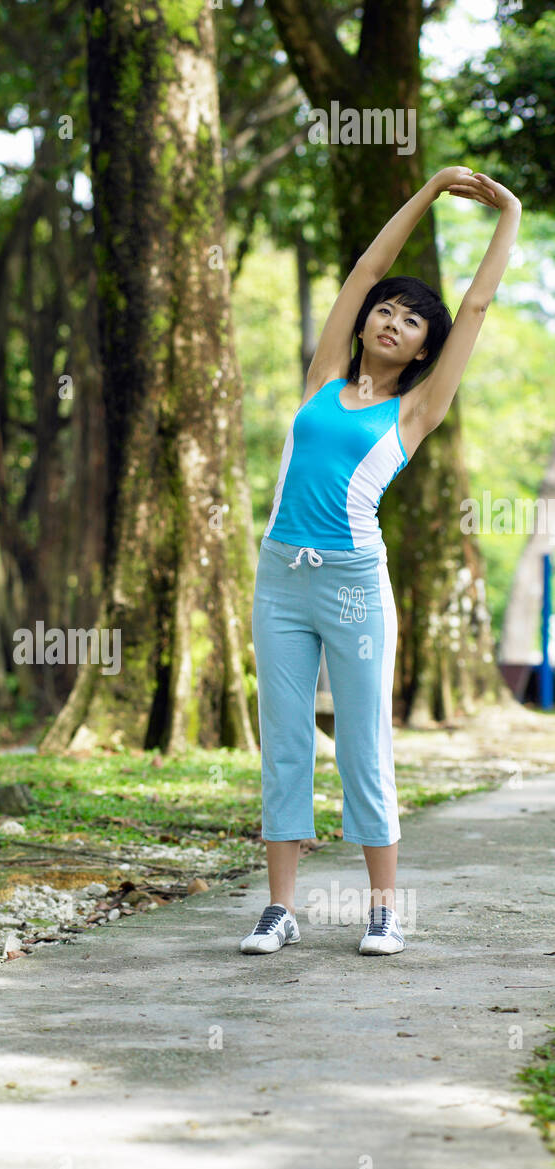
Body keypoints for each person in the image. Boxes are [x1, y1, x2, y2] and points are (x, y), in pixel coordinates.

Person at [242, 166, 522, 957]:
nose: (391, 321)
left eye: (410, 321)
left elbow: (476, 305)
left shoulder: (415, 410)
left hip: (353, 587)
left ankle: (383, 911)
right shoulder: (322, 378)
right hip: (278, 578)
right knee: (285, 740)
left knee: (362, 744)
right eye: (385, 312)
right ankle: (279, 909)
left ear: (425, 347)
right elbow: (367, 267)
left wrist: (508, 212)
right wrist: (427, 190)